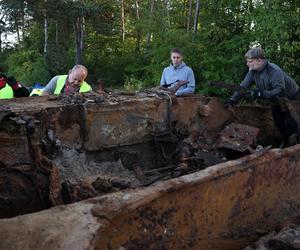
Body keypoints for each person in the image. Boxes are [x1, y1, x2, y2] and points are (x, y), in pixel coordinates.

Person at [225, 47, 299, 147]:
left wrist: (260, 94)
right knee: (278, 122)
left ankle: (296, 146)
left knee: (292, 124)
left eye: (250, 61)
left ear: (259, 60)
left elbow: (279, 90)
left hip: (291, 98)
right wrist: (232, 100)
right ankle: (286, 143)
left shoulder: (274, 71)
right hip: (276, 101)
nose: (247, 64)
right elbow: (243, 87)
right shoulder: (252, 72)